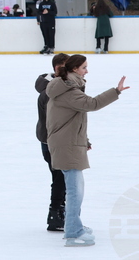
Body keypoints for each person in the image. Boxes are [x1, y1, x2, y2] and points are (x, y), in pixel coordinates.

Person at [46, 54, 129, 247]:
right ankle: (73, 232)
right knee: (75, 191)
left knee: (76, 189)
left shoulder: (64, 86)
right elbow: (92, 104)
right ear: (74, 69)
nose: (87, 71)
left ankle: (73, 225)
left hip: (69, 142)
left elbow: (72, 119)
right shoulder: (68, 90)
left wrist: (85, 140)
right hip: (67, 144)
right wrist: (116, 91)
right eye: (84, 67)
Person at [36, 52, 69, 233]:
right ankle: (55, 215)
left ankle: (59, 213)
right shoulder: (51, 91)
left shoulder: (53, 87)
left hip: (50, 140)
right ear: (57, 69)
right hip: (52, 141)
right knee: (59, 178)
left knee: (60, 178)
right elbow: (56, 120)